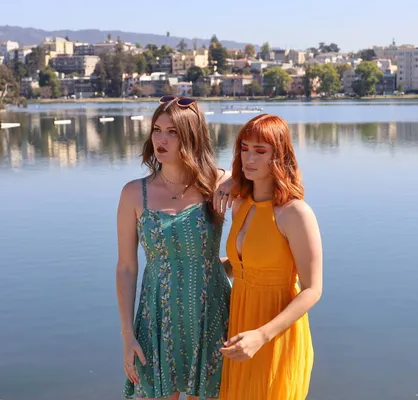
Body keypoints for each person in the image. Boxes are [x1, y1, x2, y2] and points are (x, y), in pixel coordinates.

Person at [116, 96, 232, 400]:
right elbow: (127, 268)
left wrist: (233, 180)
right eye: (157, 129)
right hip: (157, 316)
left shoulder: (216, 184)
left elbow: (268, 187)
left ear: (192, 137)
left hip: (211, 313)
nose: (161, 139)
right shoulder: (133, 193)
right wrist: (127, 335)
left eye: (173, 132)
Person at [217, 114, 323, 400]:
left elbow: (313, 289)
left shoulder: (295, 213)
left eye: (260, 151)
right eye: (244, 148)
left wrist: (262, 335)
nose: (249, 158)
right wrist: (212, 269)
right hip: (239, 327)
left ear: (279, 156)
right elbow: (245, 265)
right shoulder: (240, 205)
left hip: (275, 334)